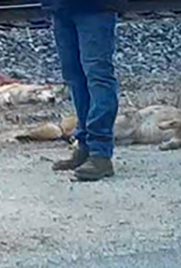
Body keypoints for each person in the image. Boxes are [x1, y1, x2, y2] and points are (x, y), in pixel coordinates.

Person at [44, 0, 122, 181]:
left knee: (98, 77)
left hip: (95, 8)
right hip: (61, 7)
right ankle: (85, 146)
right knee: (76, 78)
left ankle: (101, 153)